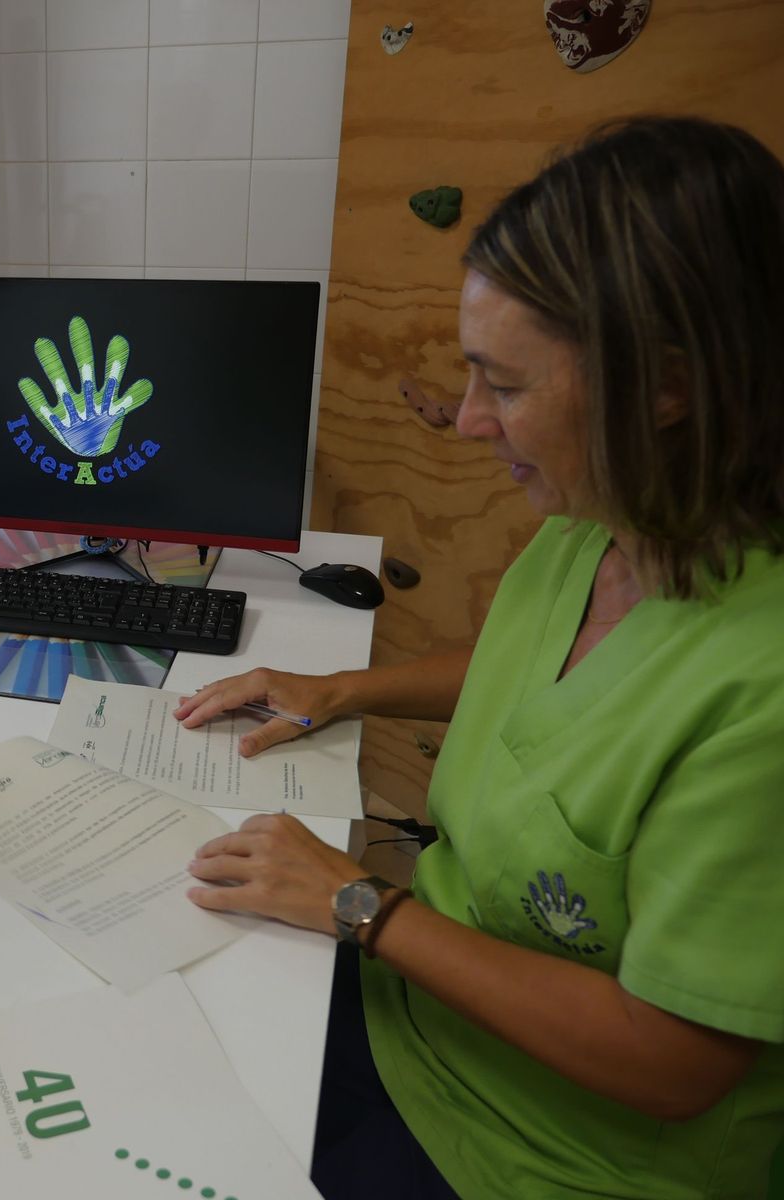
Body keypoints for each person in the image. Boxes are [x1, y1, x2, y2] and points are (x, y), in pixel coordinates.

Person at [173, 116, 784, 1199]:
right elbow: (541, 669)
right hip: (419, 1017)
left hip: (542, 1155)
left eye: (503, 387)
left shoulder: (762, 691)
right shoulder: (598, 523)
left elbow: (673, 1061)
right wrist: (343, 689)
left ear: (666, 389)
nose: (464, 423)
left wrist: (361, 905)